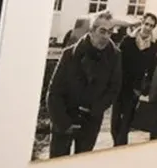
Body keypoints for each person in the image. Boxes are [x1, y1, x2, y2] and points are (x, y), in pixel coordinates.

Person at [46, 11, 122, 157]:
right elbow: (54, 92)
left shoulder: (115, 56)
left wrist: (95, 109)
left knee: (81, 165)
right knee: (57, 166)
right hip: (65, 118)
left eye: (110, 32)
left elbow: (114, 89)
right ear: (92, 31)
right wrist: (63, 123)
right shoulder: (70, 54)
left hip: (90, 122)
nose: (106, 36)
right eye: (102, 31)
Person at [110, 13, 157, 146]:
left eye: (151, 26)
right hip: (121, 86)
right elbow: (117, 63)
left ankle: (120, 148)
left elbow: (152, 69)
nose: (148, 28)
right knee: (115, 122)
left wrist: (145, 88)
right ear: (141, 23)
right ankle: (118, 144)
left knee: (126, 122)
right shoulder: (128, 41)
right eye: (146, 24)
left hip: (135, 89)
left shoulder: (153, 45)